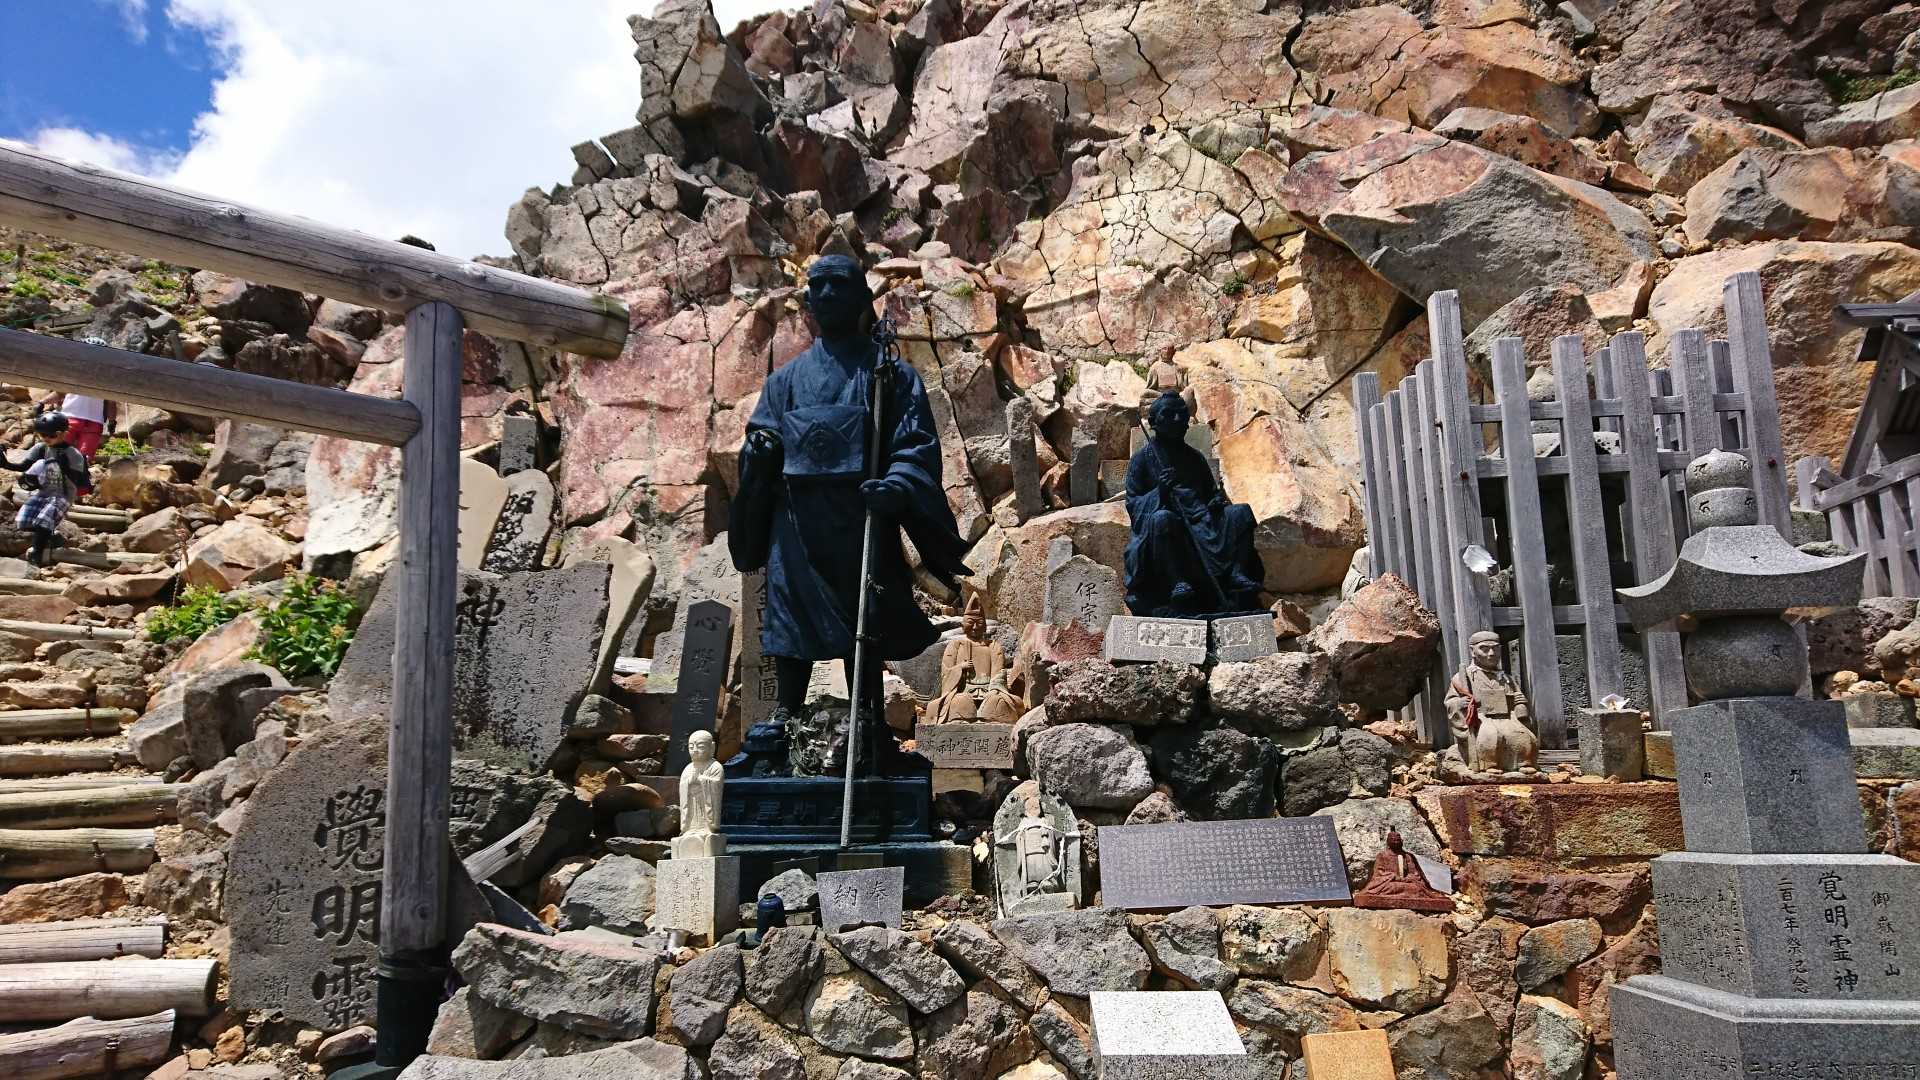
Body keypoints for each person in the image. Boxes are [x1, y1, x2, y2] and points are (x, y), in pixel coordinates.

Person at [730, 254, 973, 775]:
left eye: (839, 285)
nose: (827, 294)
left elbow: (915, 446)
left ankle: (868, 712)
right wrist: (762, 451)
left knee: (864, 617)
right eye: (817, 286)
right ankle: (786, 711)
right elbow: (760, 439)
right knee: (791, 614)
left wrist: (897, 485)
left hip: (860, 520)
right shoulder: (784, 383)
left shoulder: (891, 375)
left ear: (863, 299)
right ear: (808, 302)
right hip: (796, 524)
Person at [1122, 390, 1264, 617]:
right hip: (1173, 527)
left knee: (1240, 513)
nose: (1178, 419)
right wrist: (1160, 492)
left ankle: (1236, 574)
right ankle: (1178, 582)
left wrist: (1216, 501)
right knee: (1162, 519)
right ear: (1154, 423)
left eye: (1182, 414)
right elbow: (1134, 505)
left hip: (1203, 520)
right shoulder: (1142, 460)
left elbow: (1210, 493)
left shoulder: (1194, 458)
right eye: (1169, 414)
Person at [3, 412, 90, 567]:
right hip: (44, 492)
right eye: (42, 435)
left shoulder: (73, 453)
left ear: (63, 433)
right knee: (23, 520)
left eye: (51, 435)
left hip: (63, 494)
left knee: (43, 521)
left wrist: (61, 465)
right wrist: (6, 463)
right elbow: (23, 466)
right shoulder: (41, 448)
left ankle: (37, 554)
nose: (46, 438)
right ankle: (52, 538)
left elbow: (76, 479)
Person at [36, 336, 118, 465]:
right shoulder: (104, 377)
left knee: (79, 459)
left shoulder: (104, 377)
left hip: (83, 421)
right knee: (62, 455)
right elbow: (60, 392)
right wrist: (41, 402)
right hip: (79, 421)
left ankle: (65, 476)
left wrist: (41, 403)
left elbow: (111, 402)